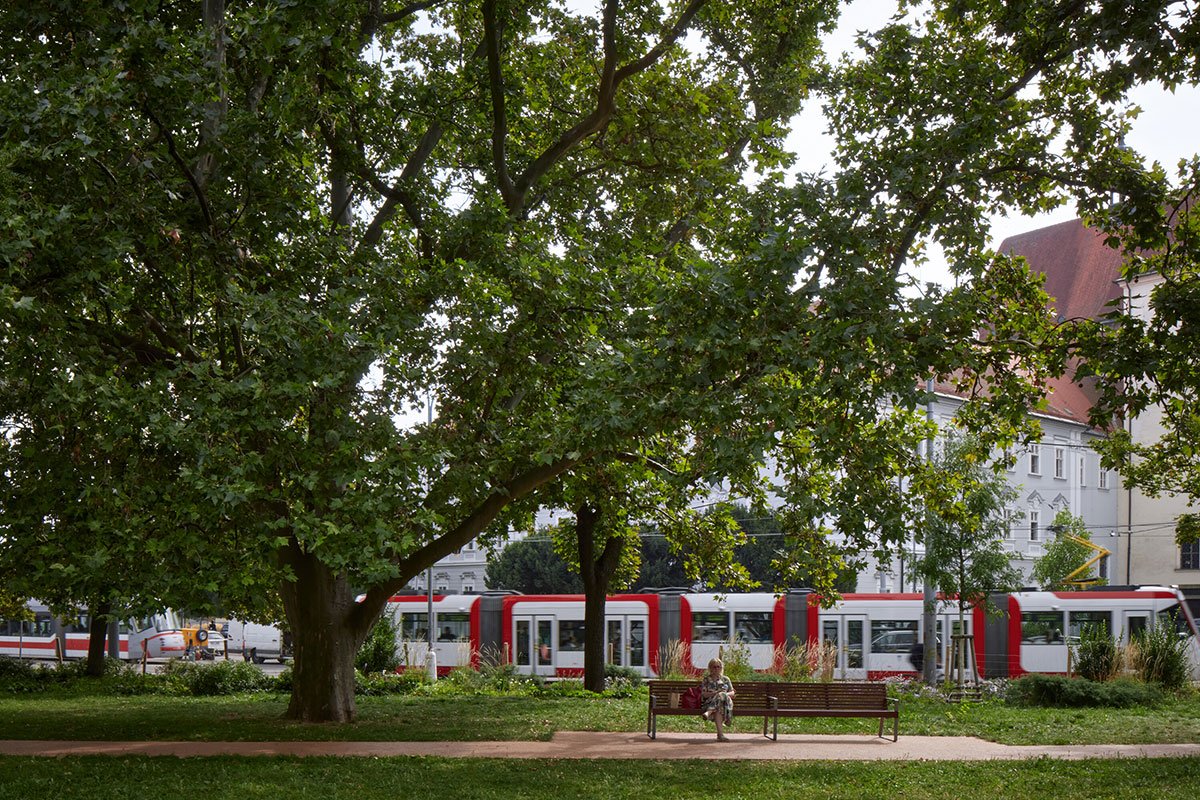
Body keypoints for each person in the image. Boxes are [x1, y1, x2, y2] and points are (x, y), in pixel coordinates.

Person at [700, 657, 735, 742]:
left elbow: (732, 693)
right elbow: (704, 694)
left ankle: (709, 712)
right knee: (719, 708)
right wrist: (715, 694)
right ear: (710, 668)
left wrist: (723, 694)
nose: (716, 669)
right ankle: (720, 735)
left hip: (726, 702)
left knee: (721, 696)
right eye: (714, 667)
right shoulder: (706, 679)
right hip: (712, 702)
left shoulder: (725, 679)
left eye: (718, 667)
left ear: (721, 668)